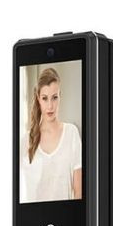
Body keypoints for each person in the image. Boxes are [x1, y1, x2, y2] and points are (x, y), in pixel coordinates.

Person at [20, 67, 82, 202]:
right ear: (38, 98)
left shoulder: (71, 134)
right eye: (45, 98)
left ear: (60, 96)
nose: (50, 106)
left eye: (54, 98)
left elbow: (79, 192)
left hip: (66, 214)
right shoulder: (25, 141)